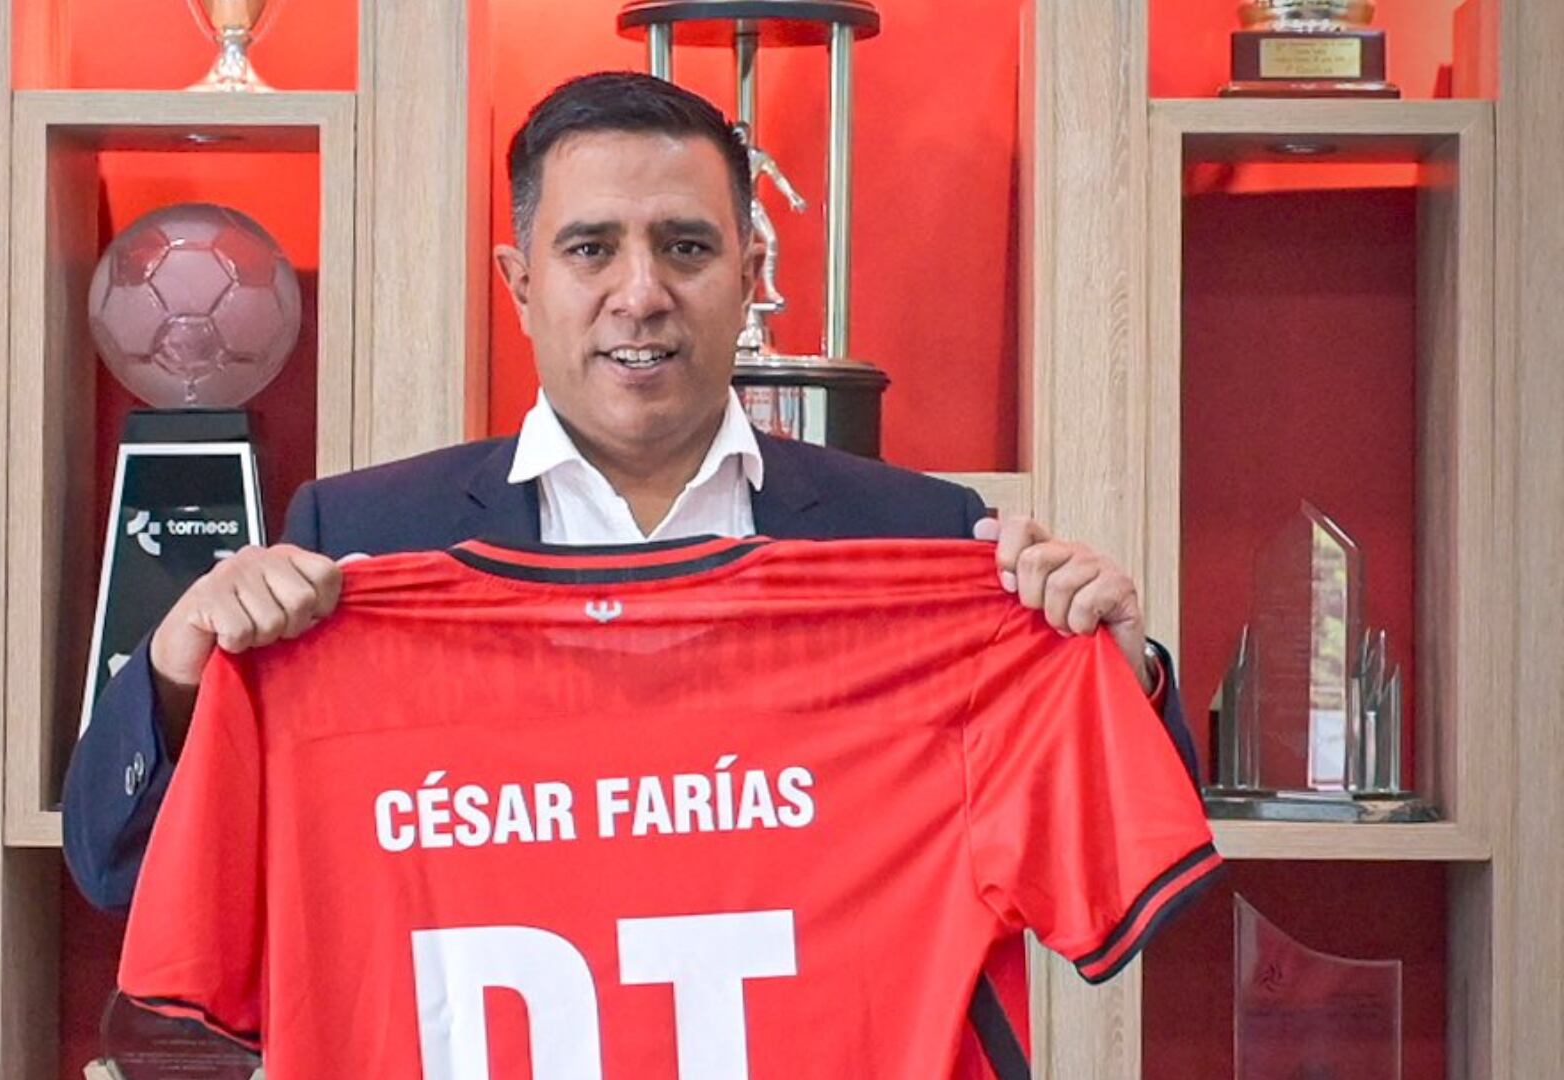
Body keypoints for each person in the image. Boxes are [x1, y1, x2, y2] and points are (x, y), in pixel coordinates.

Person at [63, 71, 1193, 914]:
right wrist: (178, 675)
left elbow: (1123, 875)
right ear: (521, 285)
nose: (641, 293)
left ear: (750, 277)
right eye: (591, 249)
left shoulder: (923, 544)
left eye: (686, 247)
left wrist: (1119, 672)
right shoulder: (363, 542)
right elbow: (123, 872)